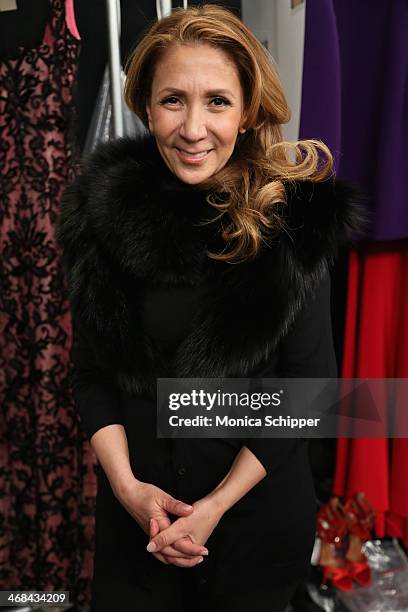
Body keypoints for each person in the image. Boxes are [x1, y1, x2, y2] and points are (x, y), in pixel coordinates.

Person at [56, 4, 365, 611]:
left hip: (253, 525)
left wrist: (213, 508)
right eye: (174, 100)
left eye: (217, 102)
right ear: (146, 106)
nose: (193, 128)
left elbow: (311, 392)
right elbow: (92, 374)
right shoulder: (101, 215)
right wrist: (127, 490)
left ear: (248, 110)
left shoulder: (292, 223)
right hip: (136, 527)